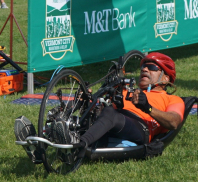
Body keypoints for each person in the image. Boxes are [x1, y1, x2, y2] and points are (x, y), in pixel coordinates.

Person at [15, 52, 185, 162]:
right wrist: (88, 100)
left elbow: (174, 122)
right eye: (143, 67)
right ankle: (38, 148)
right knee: (88, 112)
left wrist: (147, 107)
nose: (145, 69)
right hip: (113, 121)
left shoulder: (173, 99)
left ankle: (79, 147)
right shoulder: (128, 90)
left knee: (111, 113)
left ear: (165, 78)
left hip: (141, 127)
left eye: (152, 67)